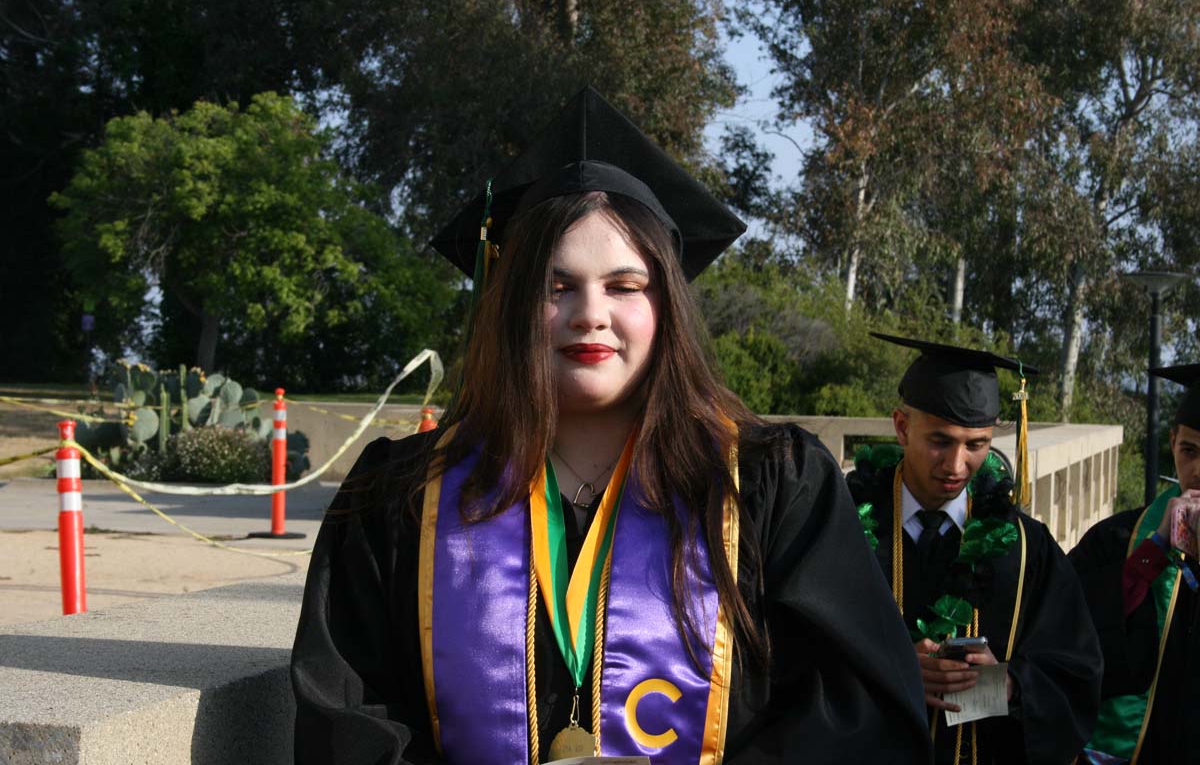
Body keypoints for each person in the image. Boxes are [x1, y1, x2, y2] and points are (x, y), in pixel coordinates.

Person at [290, 87, 931, 764]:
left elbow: (861, 713)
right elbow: (348, 720)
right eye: (554, 284)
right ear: (508, 305)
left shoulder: (772, 485)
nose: (590, 313)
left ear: (667, 307)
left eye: (625, 286)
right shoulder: (403, 498)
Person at [845, 334, 1102, 765]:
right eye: (940, 441)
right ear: (902, 426)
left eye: (976, 445)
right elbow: (789, 651)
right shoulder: (846, 528)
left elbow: (1076, 675)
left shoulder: (1025, 550)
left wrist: (1006, 685)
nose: (956, 465)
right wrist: (892, 669)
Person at [1070, 363, 1200, 763]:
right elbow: (1071, 637)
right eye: (1189, 451)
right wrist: (1153, 551)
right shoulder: (1117, 539)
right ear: (1172, 440)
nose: (1198, 471)